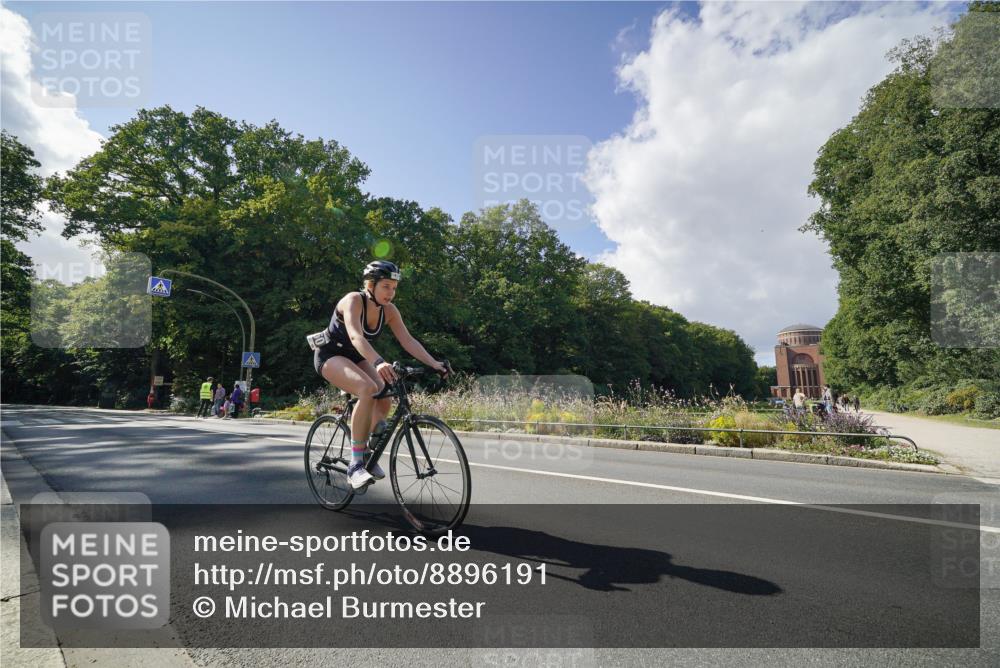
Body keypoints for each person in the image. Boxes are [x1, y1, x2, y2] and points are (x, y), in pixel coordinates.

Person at [310, 260, 449, 492]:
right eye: (386, 286)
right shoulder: (353, 300)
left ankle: (365, 450)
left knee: (384, 393)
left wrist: (434, 363)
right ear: (370, 284)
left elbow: (408, 341)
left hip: (356, 358)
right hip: (329, 356)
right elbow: (356, 337)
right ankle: (355, 465)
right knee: (366, 388)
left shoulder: (390, 311)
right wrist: (378, 361)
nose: (391, 293)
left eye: (394, 288)